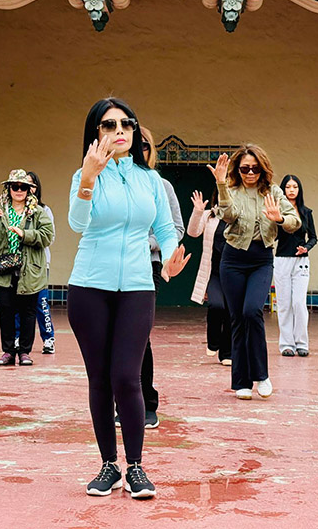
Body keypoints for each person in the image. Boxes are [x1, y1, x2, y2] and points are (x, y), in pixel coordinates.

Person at [68, 98, 190, 499]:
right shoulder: (84, 176)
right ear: (96, 133)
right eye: (108, 124)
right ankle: (108, 465)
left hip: (138, 287)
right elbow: (77, 222)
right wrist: (89, 178)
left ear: (135, 132)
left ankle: (136, 467)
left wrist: (172, 254)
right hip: (90, 286)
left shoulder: (150, 180)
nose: (119, 130)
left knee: (127, 377)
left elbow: (164, 226)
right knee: (100, 379)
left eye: (126, 123)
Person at [209, 144, 301, 401]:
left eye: (255, 169)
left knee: (252, 312)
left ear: (263, 169)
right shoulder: (232, 190)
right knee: (237, 318)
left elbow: (295, 221)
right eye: (245, 169)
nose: (250, 173)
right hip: (233, 258)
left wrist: (279, 219)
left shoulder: (273, 191)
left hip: (261, 259)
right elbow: (228, 216)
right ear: (238, 170)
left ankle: (262, 375)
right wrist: (221, 185)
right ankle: (241, 381)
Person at [126, 126, 184, 430]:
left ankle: (147, 403)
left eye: (145, 146)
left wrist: (146, 242)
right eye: (136, 145)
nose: (139, 151)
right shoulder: (114, 183)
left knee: (137, 336)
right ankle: (120, 403)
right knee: (113, 338)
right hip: (112, 266)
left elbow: (176, 229)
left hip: (147, 266)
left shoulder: (161, 186)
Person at [0, 169, 54, 366]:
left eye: (24, 187)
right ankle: (7, 351)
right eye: (15, 186)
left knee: (28, 311)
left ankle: (24, 352)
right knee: (5, 310)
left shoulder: (38, 212)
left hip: (29, 269)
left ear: (30, 190)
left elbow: (47, 236)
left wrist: (25, 234)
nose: (19, 190)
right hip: (5, 268)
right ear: (9, 189)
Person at [272, 174, 317, 357]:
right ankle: (286, 345)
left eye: (295, 187)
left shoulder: (306, 212)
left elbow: (313, 237)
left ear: (299, 190)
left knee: (299, 303)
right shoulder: (277, 210)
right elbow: (272, 235)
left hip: (301, 262)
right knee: (284, 304)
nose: (291, 190)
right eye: (288, 187)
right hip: (282, 260)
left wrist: (305, 248)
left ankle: (301, 343)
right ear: (282, 190)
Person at [12, 171, 57, 354]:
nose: (24, 189)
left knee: (40, 302)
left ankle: (48, 338)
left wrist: (26, 236)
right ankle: (17, 338)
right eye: (19, 185)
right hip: (17, 263)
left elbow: (49, 237)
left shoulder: (43, 210)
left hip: (38, 264)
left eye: (29, 185)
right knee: (16, 303)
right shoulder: (12, 208)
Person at [187, 188, 232, 365]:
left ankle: (227, 353)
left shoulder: (238, 217)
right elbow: (192, 232)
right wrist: (198, 212)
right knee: (216, 305)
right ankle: (213, 341)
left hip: (232, 271)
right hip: (213, 271)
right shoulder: (209, 216)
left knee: (230, 312)